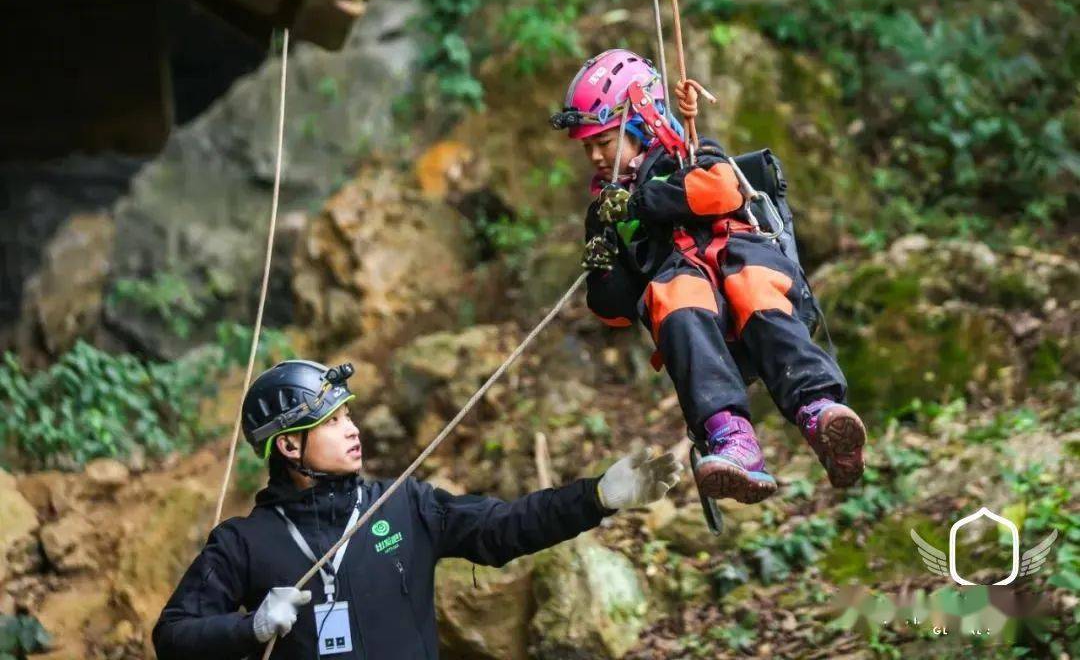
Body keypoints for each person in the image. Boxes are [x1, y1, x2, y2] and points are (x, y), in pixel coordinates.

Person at [153, 359, 681, 659]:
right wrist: (250, 628)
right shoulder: (244, 543)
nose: (353, 429)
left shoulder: (404, 505)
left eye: (349, 416)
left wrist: (597, 498)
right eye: (333, 422)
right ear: (289, 447)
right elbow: (173, 636)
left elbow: (504, 529)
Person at [550, 48, 866, 505]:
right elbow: (615, 314)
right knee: (675, 295)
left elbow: (720, 189)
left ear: (642, 124)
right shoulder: (605, 210)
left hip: (747, 266)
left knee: (751, 285)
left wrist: (639, 205)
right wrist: (602, 268)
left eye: (605, 140)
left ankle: (818, 410)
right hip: (697, 311)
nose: (596, 155)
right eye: (588, 147)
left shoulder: (690, 153)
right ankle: (733, 440)